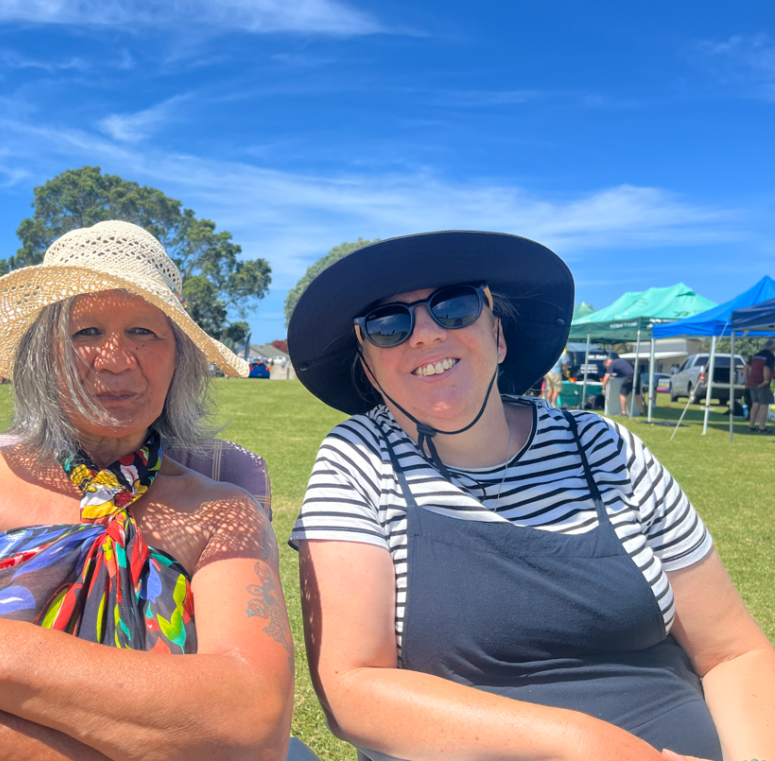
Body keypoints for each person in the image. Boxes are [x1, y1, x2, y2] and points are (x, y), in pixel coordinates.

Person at [0, 221, 294, 761]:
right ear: (41, 355)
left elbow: (255, 724)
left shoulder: (223, 512)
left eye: (144, 332)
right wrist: (159, 735)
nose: (115, 359)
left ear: (178, 357)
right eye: (85, 332)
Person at [287, 231, 775, 761]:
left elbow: (733, 652)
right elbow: (353, 688)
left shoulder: (602, 446)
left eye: (454, 306)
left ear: (498, 336)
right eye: (388, 324)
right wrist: (589, 745)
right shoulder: (361, 458)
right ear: (368, 366)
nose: (425, 333)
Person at [746, 339, 775, 434]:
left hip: (752, 383)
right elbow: (766, 367)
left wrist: (746, 380)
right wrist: (766, 380)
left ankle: (751, 426)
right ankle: (762, 427)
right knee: (764, 405)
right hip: (762, 384)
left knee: (755, 404)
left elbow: (746, 367)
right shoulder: (770, 356)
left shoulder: (756, 355)